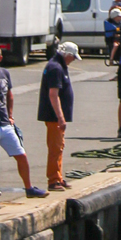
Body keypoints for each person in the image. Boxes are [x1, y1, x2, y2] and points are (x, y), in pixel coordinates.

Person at [0, 47, 46, 200]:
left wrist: (10, 115)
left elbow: (9, 95)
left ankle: (29, 188)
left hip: (5, 124)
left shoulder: (5, 73)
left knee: (21, 155)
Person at [37, 41, 79, 190]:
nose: (73, 60)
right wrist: (60, 117)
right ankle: (53, 179)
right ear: (67, 55)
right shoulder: (56, 68)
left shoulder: (59, 65)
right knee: (55, 147)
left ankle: (58, 176)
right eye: (73, 57)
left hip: (56, 116)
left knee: (59, 146)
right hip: (53, 116)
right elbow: (53, 95)